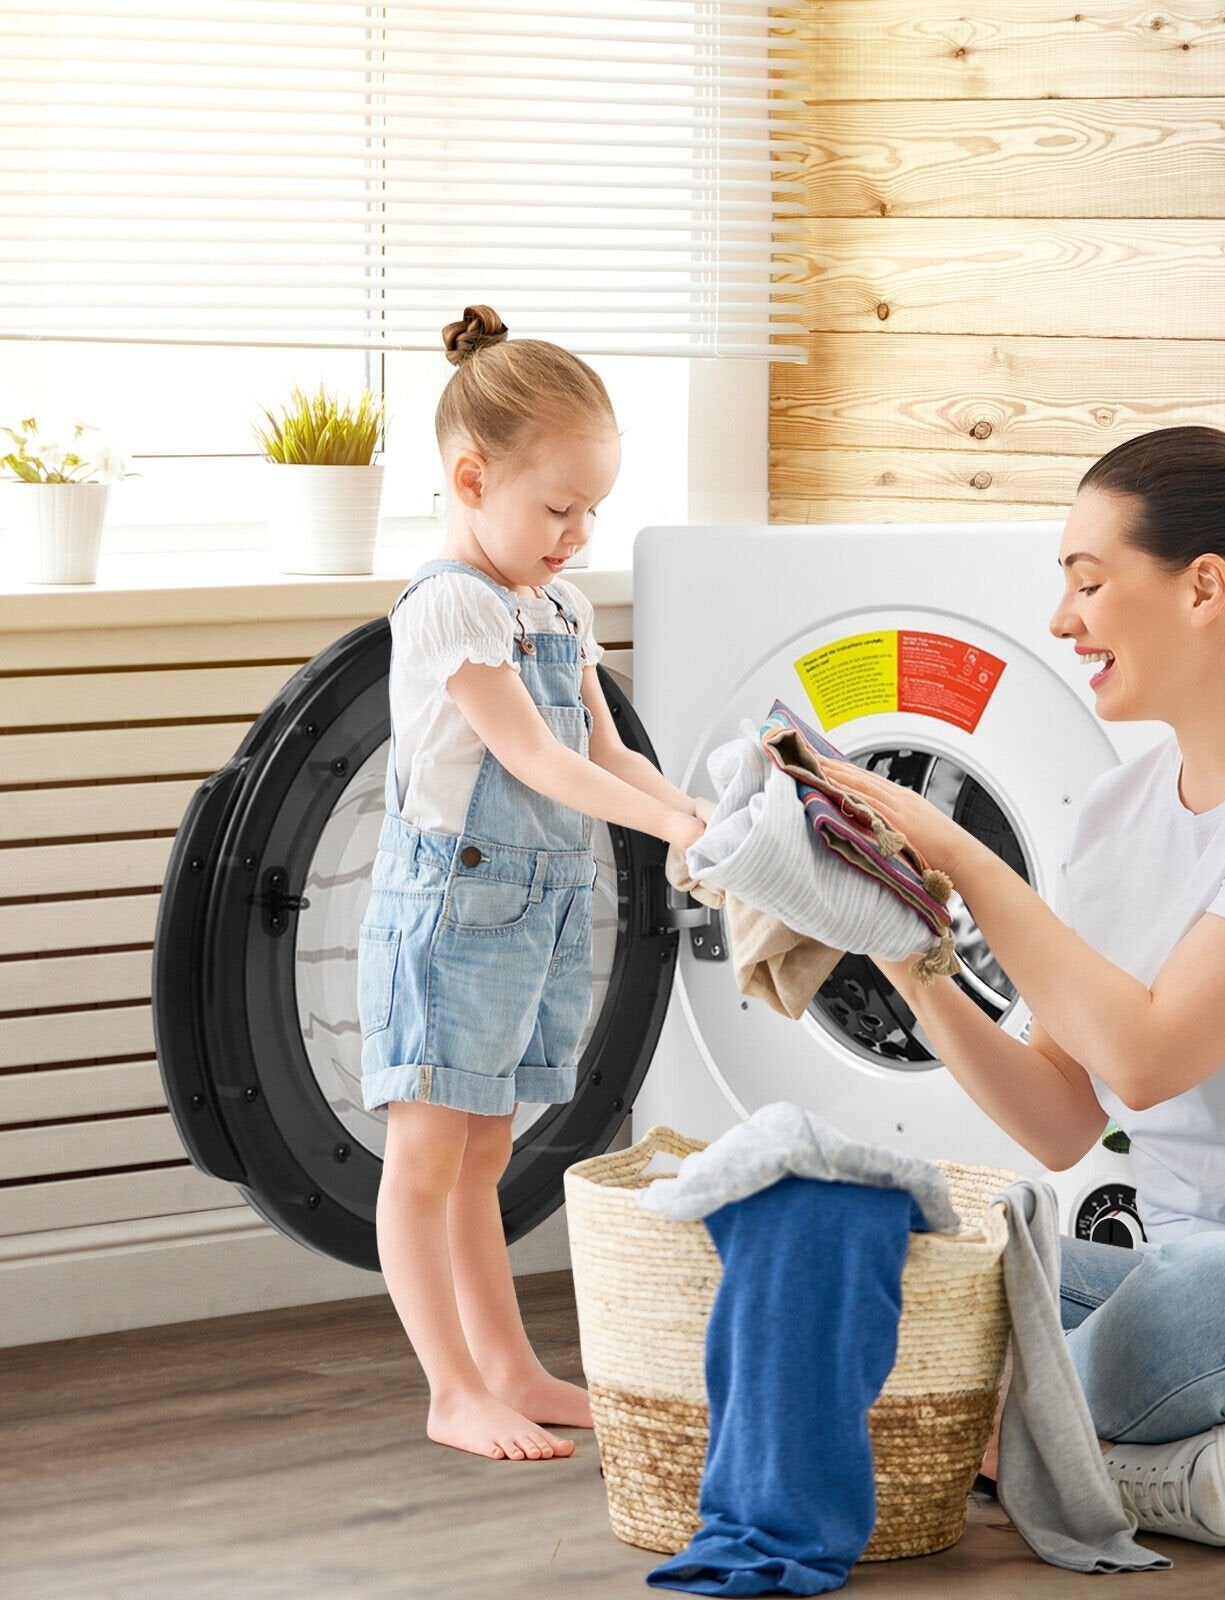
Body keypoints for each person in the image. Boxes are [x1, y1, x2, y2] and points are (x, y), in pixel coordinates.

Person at [820, 426, 1225, 1548]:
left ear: (1203, 589)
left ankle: (966, 1448)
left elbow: (1146, 1055)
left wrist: (972, 865)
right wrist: (903, 945)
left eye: (1088, 582)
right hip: (1190, 1298)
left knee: (1196, 1291)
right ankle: (1135, 1472)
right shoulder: (1117, 815)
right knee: (916, 1250)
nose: (1062, 618)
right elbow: (1059, 1114)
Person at [357, 305, 705, 1462]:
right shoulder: (452, 603)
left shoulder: (554, 606)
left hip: (538, 909)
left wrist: (688, 813)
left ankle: (511, 1366)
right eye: (559, 509)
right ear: (470, 477)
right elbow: (534, 758)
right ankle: (450, 1386)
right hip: (453, 912)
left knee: (488, 1152)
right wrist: (659, 824)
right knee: (424, 1157)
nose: (579, 534)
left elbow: (605, 748)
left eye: (593, 509)